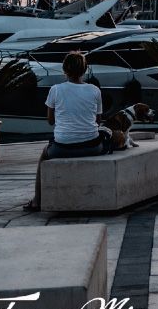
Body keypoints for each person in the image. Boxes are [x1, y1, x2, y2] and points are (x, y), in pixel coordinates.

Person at [26, 51, 114, 211]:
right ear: (84, 70)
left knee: (43, 155)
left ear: (64, 69)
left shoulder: (56, 89)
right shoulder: (95, 90)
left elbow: (50, 121)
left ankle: (37, 200)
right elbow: (98, 121)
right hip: (92, 146)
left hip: (62, 147)